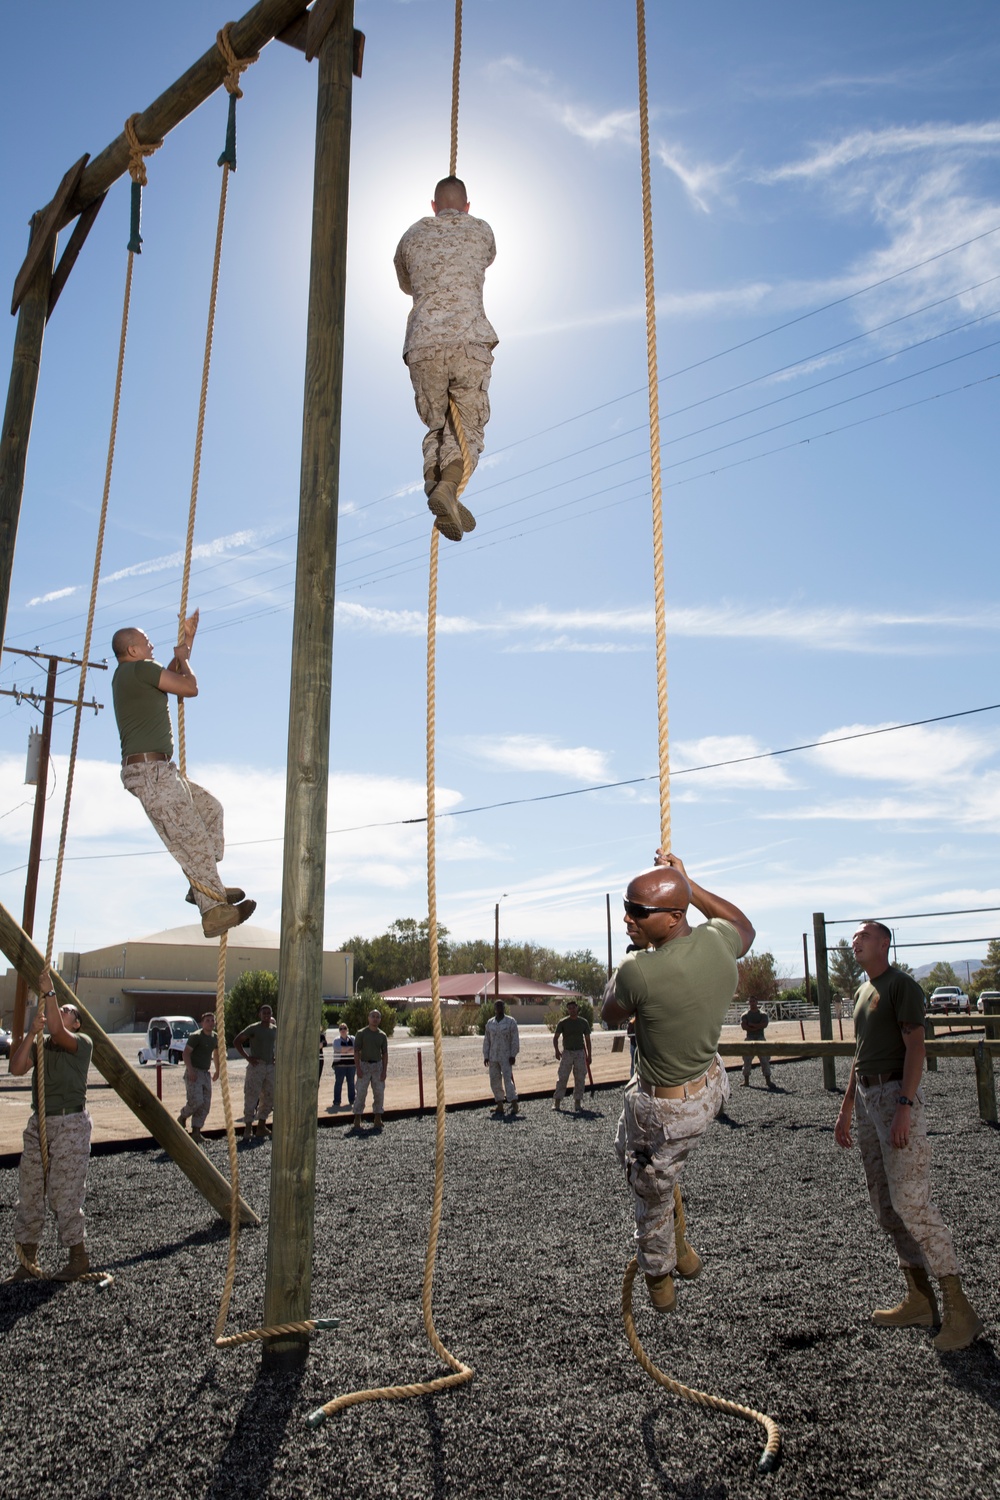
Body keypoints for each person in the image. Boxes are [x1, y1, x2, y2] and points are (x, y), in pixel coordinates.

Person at [602, 851, 754, 1314]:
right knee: (638, 1157)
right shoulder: (718, 941)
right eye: (626, 907)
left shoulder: (638, 971)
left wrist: (630, 964)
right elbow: (743, 926)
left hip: (665, 1110)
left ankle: (661, 1278)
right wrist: (690, 883)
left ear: (672, 918)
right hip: (710, 1086)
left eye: (638, 912)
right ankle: (681, 1246)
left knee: (647, 1189)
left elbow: (610, 1013)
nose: (626, 918)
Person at [834, 920, 983, 1350]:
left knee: (912, 1203)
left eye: (864, 936)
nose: (856, 941)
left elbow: (916, 1047)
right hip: (866, 1096)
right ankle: (920, 1299)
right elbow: (859, 1055)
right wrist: (846, 1108)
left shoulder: (902, 986)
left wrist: (905, 1106)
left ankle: (960, 1311)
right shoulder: (863, 991)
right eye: (856, 937)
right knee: (885, 1204)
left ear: (884, 943)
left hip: (894, 1094)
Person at [111, 610, 255, 939]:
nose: (151, 646)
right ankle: (214, 912)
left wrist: (187, 643)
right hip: (151, 773)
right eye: (146, 643)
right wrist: (185, 662)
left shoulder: (131, 675)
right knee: (192, 838)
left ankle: (203, 886)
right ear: (132, 651)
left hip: (158, 770)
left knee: (210, 810)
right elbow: (188, 687)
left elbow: (170, 673)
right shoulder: (140, 670)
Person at [394, 175, 498, 543]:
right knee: (467, 428)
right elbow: (486, 258)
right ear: (466, 206)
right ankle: (449, 487)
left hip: (422, 347)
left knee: (437, 426)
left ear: (433, 206)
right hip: (469, 342)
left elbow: (405, 282)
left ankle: (435, 484)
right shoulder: (481, 229)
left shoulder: (412, 235)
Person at [8, 969, 94, 1282]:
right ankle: (27, 1261)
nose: (61, 1012)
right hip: (40, 1123)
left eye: (68, 1011)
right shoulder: (41, 1045)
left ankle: (77, 1257)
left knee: (65, 1193)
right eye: (61, 1009)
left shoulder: (80, 1043)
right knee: (30, 1191)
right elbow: (16, 1068)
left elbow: (57, 1032)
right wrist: (31, 1033)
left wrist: (49, 992)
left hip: (70, 1122)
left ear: (77, 1023)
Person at [234, 1004, 277, 1142]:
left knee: (269, 1096)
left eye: (268, 1013)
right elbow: (237, 1041)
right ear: (259, 1014)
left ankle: (261, 1126)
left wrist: (275, 1057)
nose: (266, 1015)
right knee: (251, 1096)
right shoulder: (254, 1028)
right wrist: (248, 1057)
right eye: (264, 1013)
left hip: (270, 1067)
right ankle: (248, 1128)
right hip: (256, 1066)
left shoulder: (274, 1030)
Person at [179, 1012, 219, 1143]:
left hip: (205, 1073)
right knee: (196, 1100)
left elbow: (216, 1054)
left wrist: (217, 1070)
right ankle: (182, 1117)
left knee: (205, 1104)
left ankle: (196, 1132)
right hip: (194, 1071)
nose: (210, 1023)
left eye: (212, 1020)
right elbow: (185, 1054)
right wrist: (190, 1071)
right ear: (202, 1023)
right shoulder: (196, 1036)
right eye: (207, 1021)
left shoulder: (215, 1038)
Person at [552, 1000, 592, 1112]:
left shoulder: (583, 1022)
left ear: (577, 1008)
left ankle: (578, 1102)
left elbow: (588, 1040)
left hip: (579, 1052)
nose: (572, 1010)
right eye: (569, 1008)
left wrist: (589, 1055)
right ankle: (557, 1102)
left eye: (573, 1008)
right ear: (567, 1010)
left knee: (580, 1077)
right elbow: (555, 1037)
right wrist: (556, 1050)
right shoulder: (563, 1022)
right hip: (567, 1053)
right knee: (562, 1077)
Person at [483, 999, 519, 1118]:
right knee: (494, 1080)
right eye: (496, 1006)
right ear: (494, 1008)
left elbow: (515, 1039)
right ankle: (499, 1104)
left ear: (504, 1007)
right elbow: (487, 1040)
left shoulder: (510, 1022)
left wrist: (513, 1054)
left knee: (507, 1080)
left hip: (506, 1056)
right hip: (493, 1057)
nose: (498, 1008)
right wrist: (486, 1055)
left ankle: (514, 1103)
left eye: (500, 1005)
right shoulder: (490, 1023)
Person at [352, 1010, 388, 1129]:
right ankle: (357, 1119)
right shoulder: (361, 1033)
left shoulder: (382, 1035)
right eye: (373, 1016)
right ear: (368, 1018)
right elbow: (356, 1052)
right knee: (361, 1093)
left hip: (377, 1066)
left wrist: (384, 1071)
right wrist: (358, 1068)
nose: (375, 1019)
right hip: (364, 1065)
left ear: (380, 1020)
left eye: (378, 1017)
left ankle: (378, 1118)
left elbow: (385, 1054)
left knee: (379, 1093)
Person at [740, 995, 774, 1089]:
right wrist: (757, 1026)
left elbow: (764, 1024)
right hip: (749, 1038)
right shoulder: (745, 1015)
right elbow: (744, 1027)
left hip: (760, 1038)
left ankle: (768, 1080)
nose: (752, 1003)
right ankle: (746, 1081)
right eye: (750, 1001)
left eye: (753, 1001)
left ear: (757, 1002)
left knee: (765, 1060)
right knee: (747, 1060)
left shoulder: (763, 1014)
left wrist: (752, 1025)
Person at [329, 1021, 356, 1112]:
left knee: (351, 1082)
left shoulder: (352, 1038)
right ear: (339, 1031)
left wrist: (345, 1050)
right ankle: (337, 1101)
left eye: (344, 1028)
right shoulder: (336, 1040)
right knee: (338, 1083)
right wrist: (349, 1049)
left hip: (351, 1064)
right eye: (341, 1028)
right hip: (340, 1065)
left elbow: (356, 1049)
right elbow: (338, 1049)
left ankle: (352, 1099)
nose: (343, 1030)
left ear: (347, 1030)